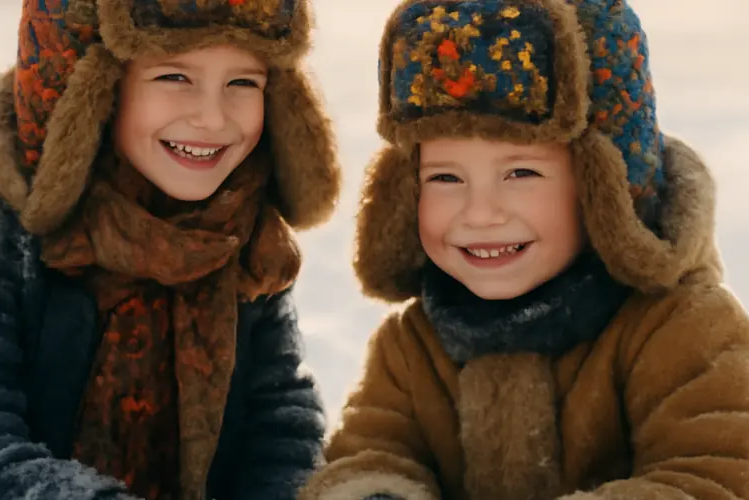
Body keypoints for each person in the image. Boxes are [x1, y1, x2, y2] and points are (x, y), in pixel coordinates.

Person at [300, 0, 749, 499]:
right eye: (446, 177)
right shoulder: (414, 346)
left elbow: (718, 474)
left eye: (521, 174)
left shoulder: (681, 329)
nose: (480, 212)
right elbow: (371, 451)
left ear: (604, 193)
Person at [0, 1, 339, 499]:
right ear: (94, 91)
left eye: (243, 83)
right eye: (174, 77)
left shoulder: (239, 233)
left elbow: (281, 427)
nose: (212, 117)